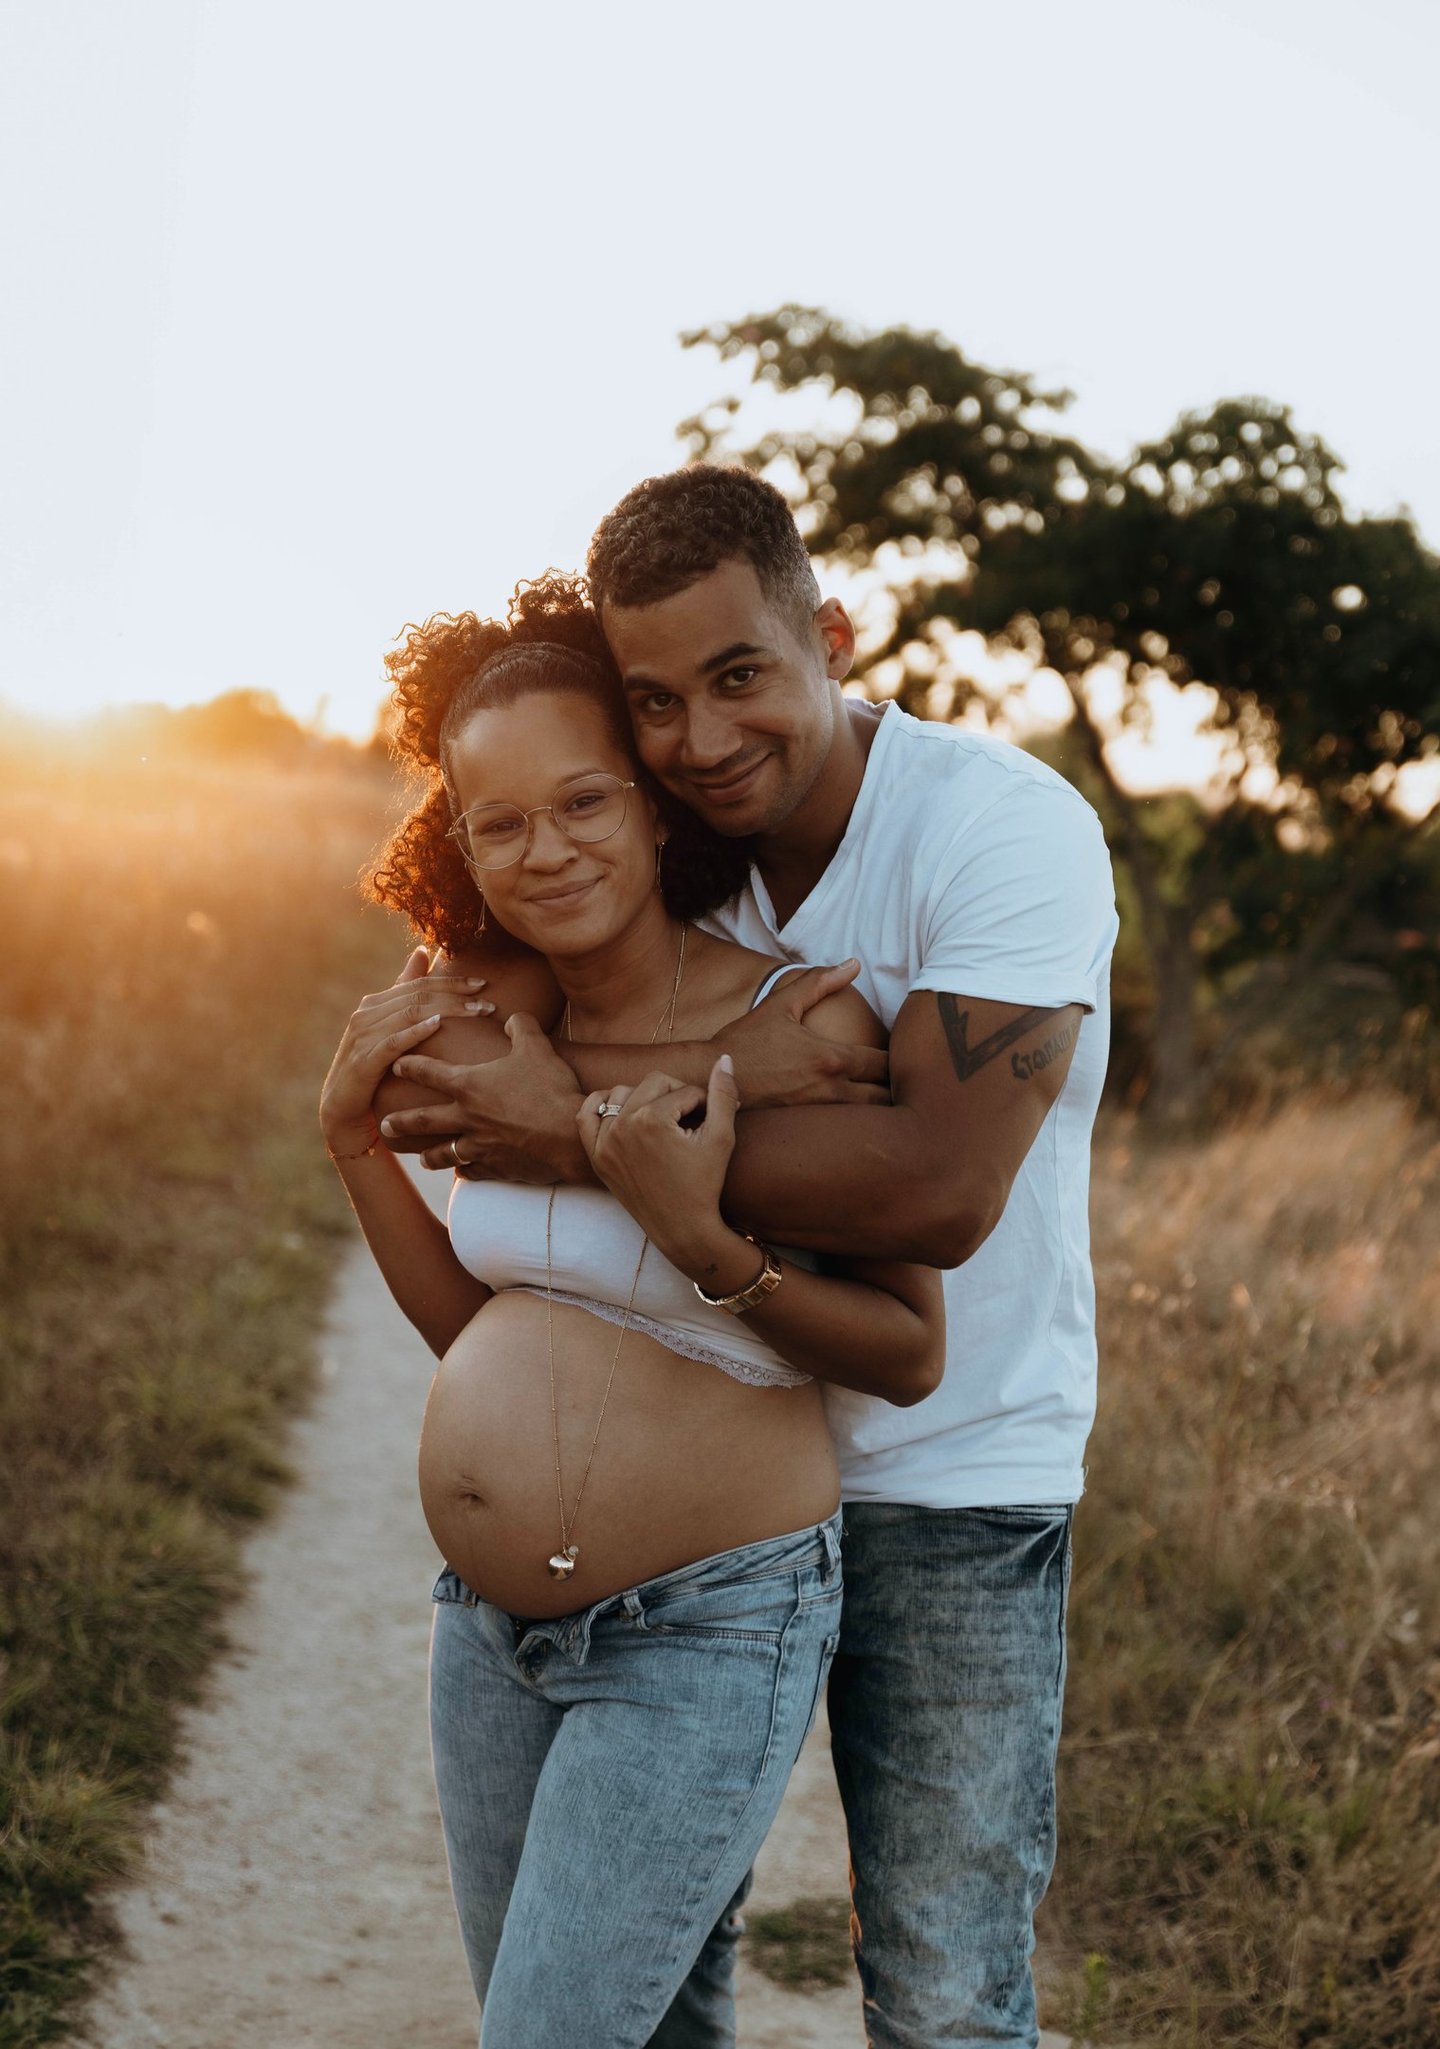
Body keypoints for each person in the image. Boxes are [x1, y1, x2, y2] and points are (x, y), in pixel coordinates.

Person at [380, 467, 1120, 2049]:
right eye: (654, 701)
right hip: (694, 1527)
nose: (704, 739)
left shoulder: (998, 831)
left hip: (946, 1473)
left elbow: (932, 1185)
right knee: (658, 1996)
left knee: (938, 1987)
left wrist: (567, 1119)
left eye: (741, 677)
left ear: (832, 635)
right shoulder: (679, 855)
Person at [318, 572, 945, 2048]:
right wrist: (356, 1149)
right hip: (488, 1639)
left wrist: (702, 1207)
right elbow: (479, 1334)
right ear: (464, 840)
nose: (546, 850)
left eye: (586, 801)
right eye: (503, 821)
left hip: (707, 1625)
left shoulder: (807, 1024)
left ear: (658, 805)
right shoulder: (492, 1029)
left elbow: (907, 1348)